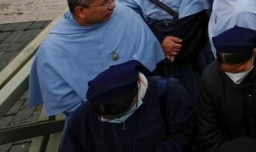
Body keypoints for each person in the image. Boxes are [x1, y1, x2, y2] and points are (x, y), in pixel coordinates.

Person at [29, 0, 164, 118]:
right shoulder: (53, 49)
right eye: (105, 3)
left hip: (144, 102)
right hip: (95, 122)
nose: (113, 5)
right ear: (81, 11)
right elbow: (65, 101)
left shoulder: (125, 14)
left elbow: (148, 56)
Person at [62, 60, 194, 152]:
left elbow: (185, 132)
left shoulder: (168, 92)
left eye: (120, 115)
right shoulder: (82, 118)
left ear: (137, 91)